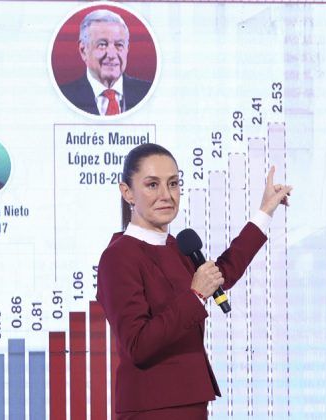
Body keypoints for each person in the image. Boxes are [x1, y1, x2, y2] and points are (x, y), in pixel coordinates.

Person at [96, 143, 292, 419]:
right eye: (152, 185)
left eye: (173, 183)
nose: (166, 195)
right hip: (152, 407)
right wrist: (195, 295)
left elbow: (221, 272)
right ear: (127, 192)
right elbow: (137, 345)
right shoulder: (118, 257)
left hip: (191, 400)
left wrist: (265, 211)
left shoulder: (177, 247)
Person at [59, 9, 152, 116]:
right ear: (83, 50)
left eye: (119, 45)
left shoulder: (148, 93)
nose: (112, 55)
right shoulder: (63, 97)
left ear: (127, 49)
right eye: (102, 44)